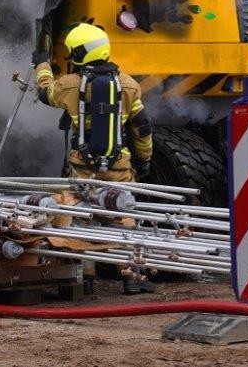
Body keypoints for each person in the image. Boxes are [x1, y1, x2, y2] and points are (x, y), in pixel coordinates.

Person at [34, 22, 155, 293]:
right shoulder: (129, 85)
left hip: (82, 169)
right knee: (123, 217)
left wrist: (41, 65)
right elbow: (142, 128)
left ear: (79, 53)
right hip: (120, 167)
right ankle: (132, 279)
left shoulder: (69, 84)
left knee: (82, 219)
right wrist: (144, 159)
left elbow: (45, 92)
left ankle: (85, 280)